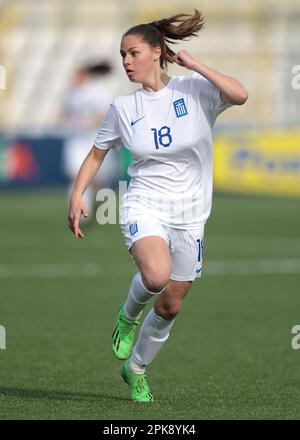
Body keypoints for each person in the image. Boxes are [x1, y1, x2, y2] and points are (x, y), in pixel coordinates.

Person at [68, 9, 248, 403]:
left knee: (171, 304)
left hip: (191, 213)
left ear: (156, 52)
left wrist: (195, 64)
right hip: (144, 203)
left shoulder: (194, 91)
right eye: (122, 55)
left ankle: (135, 370)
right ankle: (127, 316)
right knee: (155, 276)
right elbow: (97, 154)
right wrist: (77, 193)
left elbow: (240, 94)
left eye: (132, 53)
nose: (125, 62)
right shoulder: (123, 108)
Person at [62, 61, 120, 220]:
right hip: (77, 139)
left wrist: (89, 123)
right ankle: (78, 210)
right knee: (75, 175)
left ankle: (98, 207)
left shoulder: (96, 91)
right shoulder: (72, 93)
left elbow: (105, 113)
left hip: (95, 137)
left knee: (96, 178)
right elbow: (66, 112)